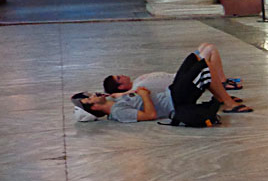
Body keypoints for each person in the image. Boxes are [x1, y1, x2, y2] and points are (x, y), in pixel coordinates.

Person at [71, 49, 224, 124]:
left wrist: (111, 95)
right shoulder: (119, 112)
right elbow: (150, 116)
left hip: (170, 92)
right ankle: (227, 102)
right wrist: (144, 96)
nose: (92, 96)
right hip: (175, 101)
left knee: (193, 58)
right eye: (89, 100)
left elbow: (116, 94)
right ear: (95, 108)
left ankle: (222, 97)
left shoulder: (114, 101)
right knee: (203, 67)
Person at [101, 42, 250, 112]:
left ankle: (221, 90)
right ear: (120, 87)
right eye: (119, 78)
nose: (121, 75)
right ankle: (227, 100)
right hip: (180, 85)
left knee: (206, 47)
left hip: (179, 78)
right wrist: (115, 94)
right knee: (206, 64)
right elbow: (118, 97)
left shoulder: (137, 81)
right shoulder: (136, 90)